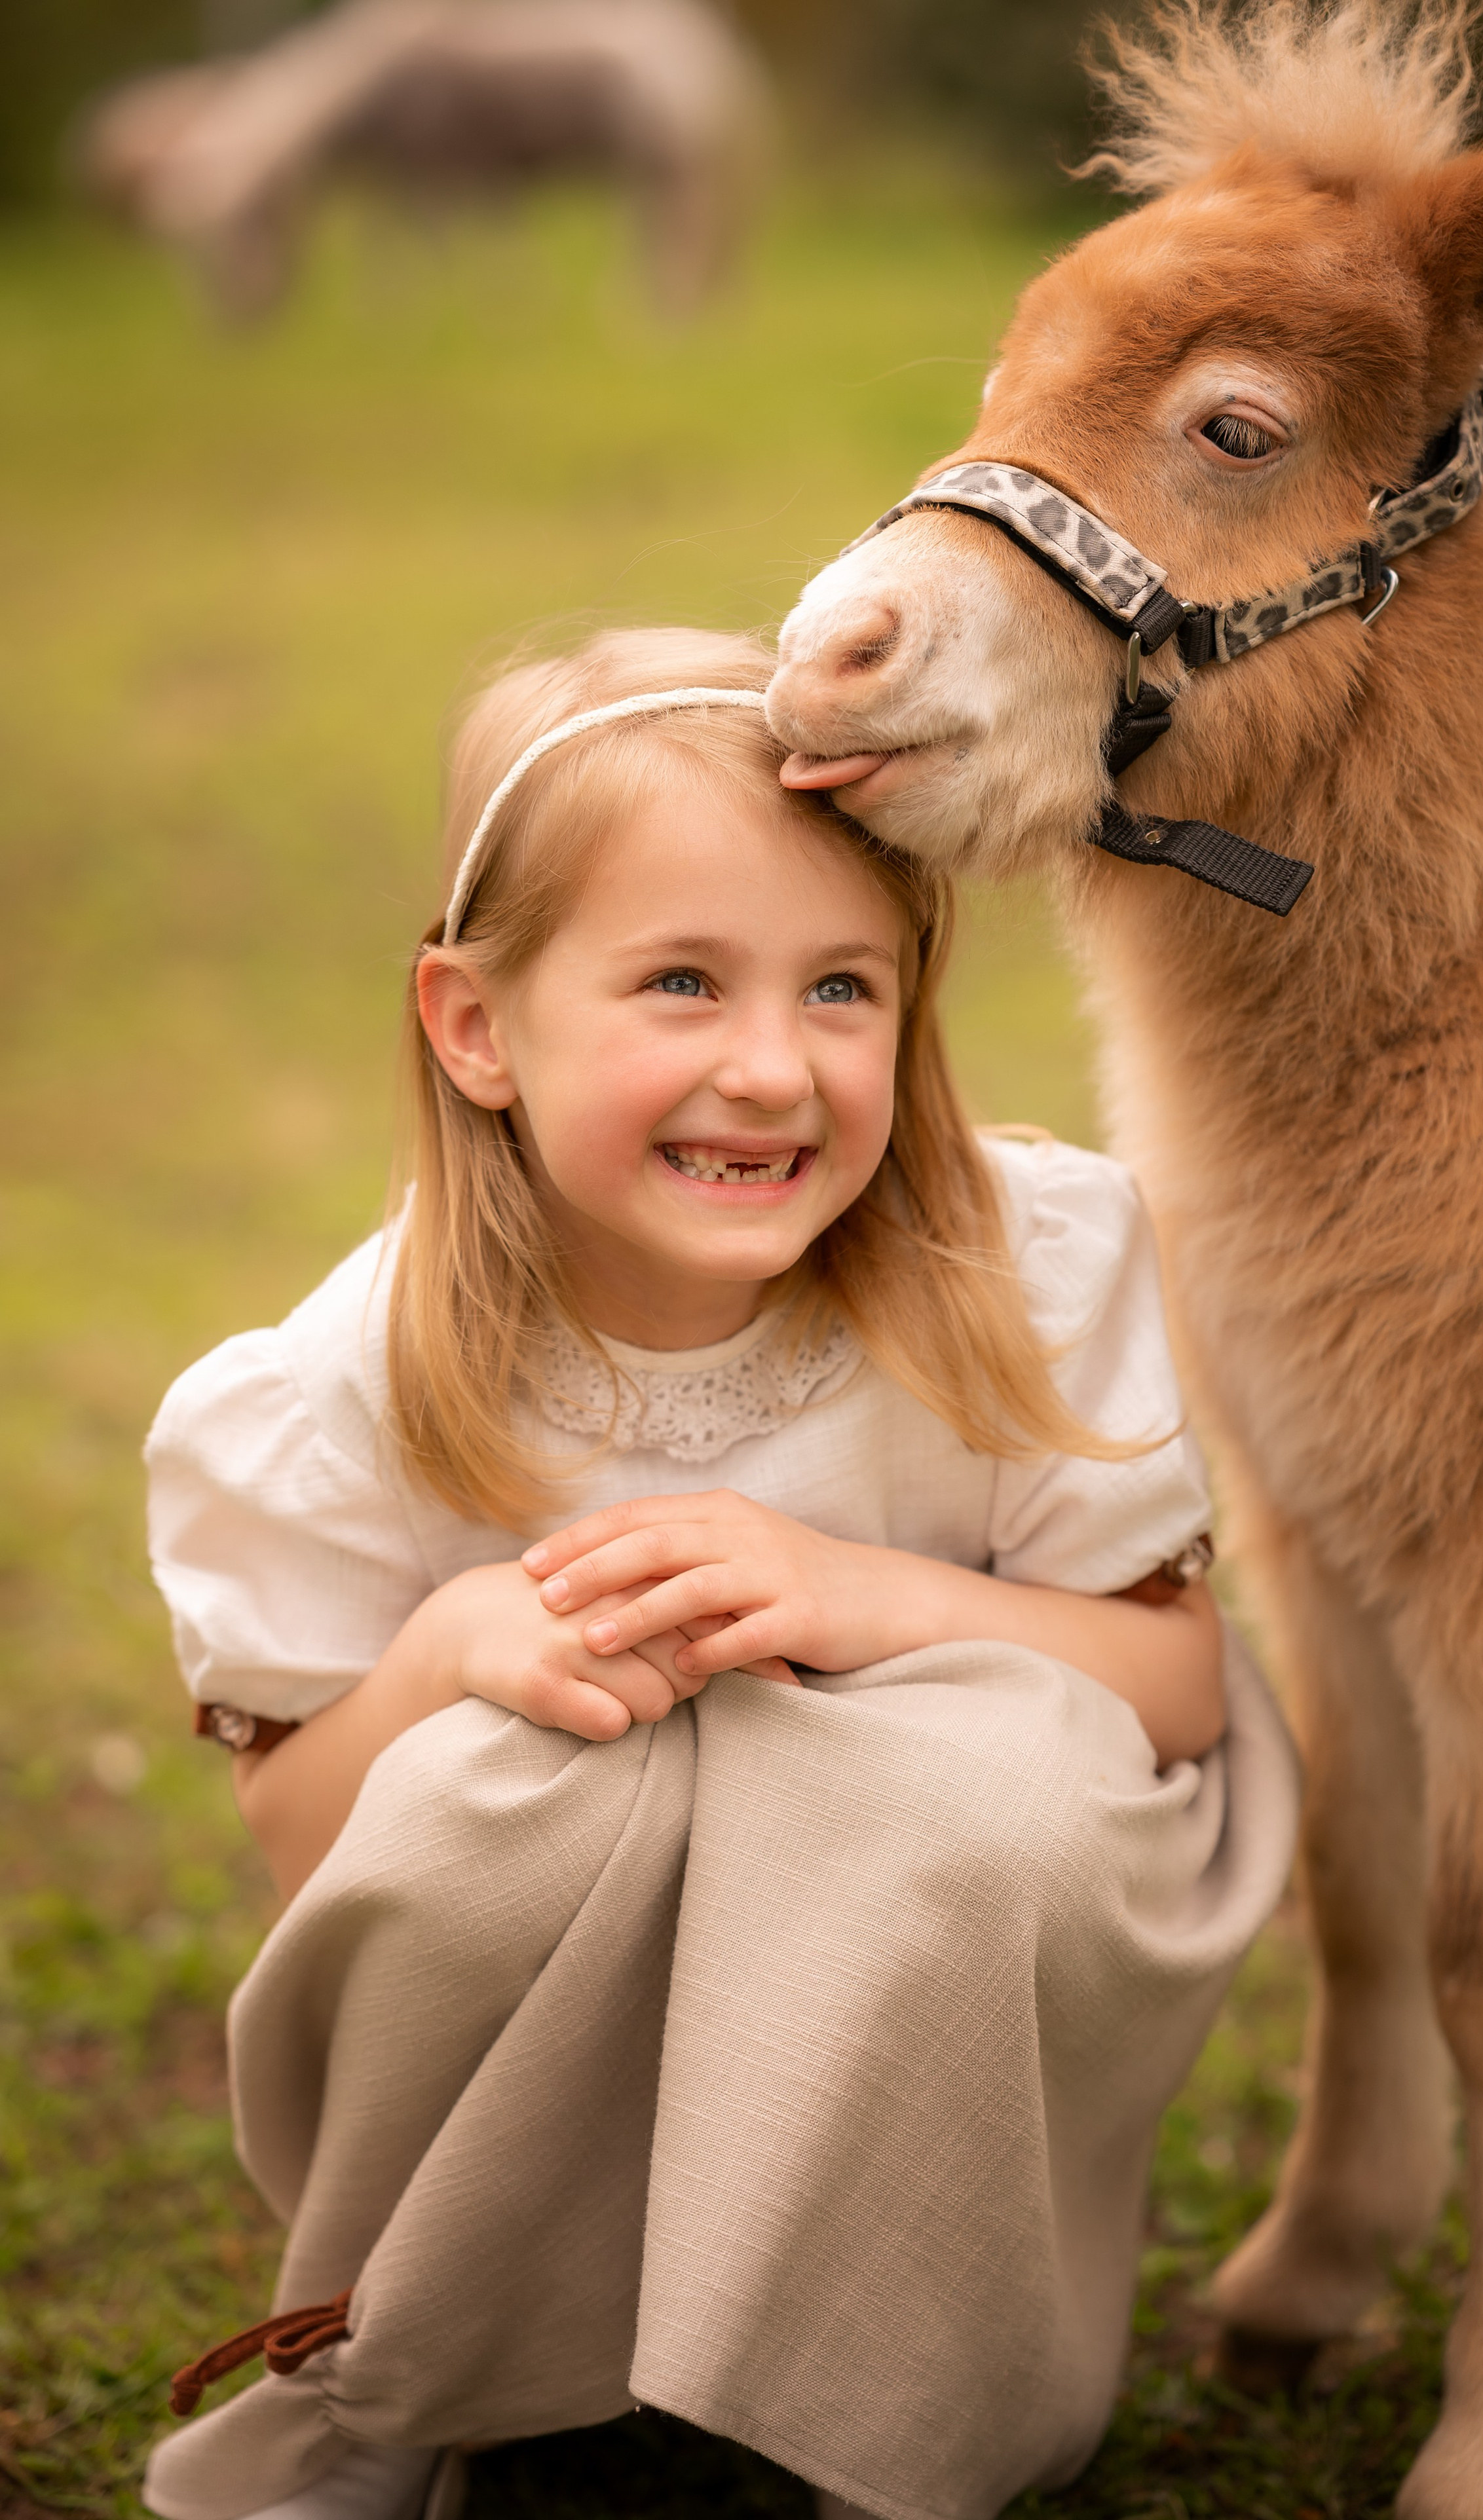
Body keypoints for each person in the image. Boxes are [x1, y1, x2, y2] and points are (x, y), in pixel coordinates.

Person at [141, 627, 1297, 2520]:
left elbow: (1174, 1694)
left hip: (943, 1916)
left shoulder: (1019, 1270)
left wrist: (868, 1602)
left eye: (841, 987)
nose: (771, 1071)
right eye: (682, 981)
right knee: (504, 1783)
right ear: (477, 1026)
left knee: (934, 1769)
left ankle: (846, 2413)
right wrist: (444, 1650)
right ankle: (515, 2379)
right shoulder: (337, 1392)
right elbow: (312, 1846)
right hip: (570, 1978)